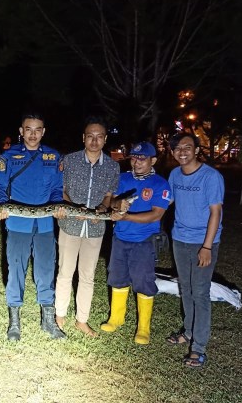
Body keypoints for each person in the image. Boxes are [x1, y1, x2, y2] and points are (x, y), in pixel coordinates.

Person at [0, 113, 66, 341]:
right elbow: (0, 188)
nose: (33, 134)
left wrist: (58, 205)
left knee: (46, 270)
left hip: (45, 224)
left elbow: (57, 188)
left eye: (37, 130)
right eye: (28, 129)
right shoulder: (8, 156)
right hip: (17, 223)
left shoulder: (53, 156)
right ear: (21, 130)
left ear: (43, 132)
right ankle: (14, 322)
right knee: (16, 270)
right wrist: (1, 206)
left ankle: (48, 321)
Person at [100, 141, 171, 345]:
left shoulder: (160, 184)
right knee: (117, 277)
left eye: (142, 158)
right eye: (134, 157)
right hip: (120, 238)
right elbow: (110, 202)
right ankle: (116, 319)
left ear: (153, 160)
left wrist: (126, 217)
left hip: (144, 240)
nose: (137, 162)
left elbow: (156, 215)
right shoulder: (122, 178)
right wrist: (116, 204)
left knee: (143, 281)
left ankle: (143, 328)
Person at [55, 117, 119, 337]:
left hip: (95, 229)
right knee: (65, 272)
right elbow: (61, 191)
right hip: (70, 225)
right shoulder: (69, 161)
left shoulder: (112, 166)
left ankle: (82, 320)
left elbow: (109, 195)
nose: (94, 140)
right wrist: (73, 208)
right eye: (90, 136)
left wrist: (102, 208)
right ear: (83, 138)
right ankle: (59, 315)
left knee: (88, 275)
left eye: (99, 136)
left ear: (105, 139)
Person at [166, 133, 224, 369]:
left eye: (187, 147)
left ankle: (198, 347)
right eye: (177, 148)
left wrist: (207, 246)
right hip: (180, 239)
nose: (182, 152)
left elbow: (215, 213)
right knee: (185, 288)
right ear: (172, 152)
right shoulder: (174, 174)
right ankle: (189, 332)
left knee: (200, 292)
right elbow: (166, 201)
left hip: (203, 242)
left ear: (197, 149)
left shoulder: (211, 176)